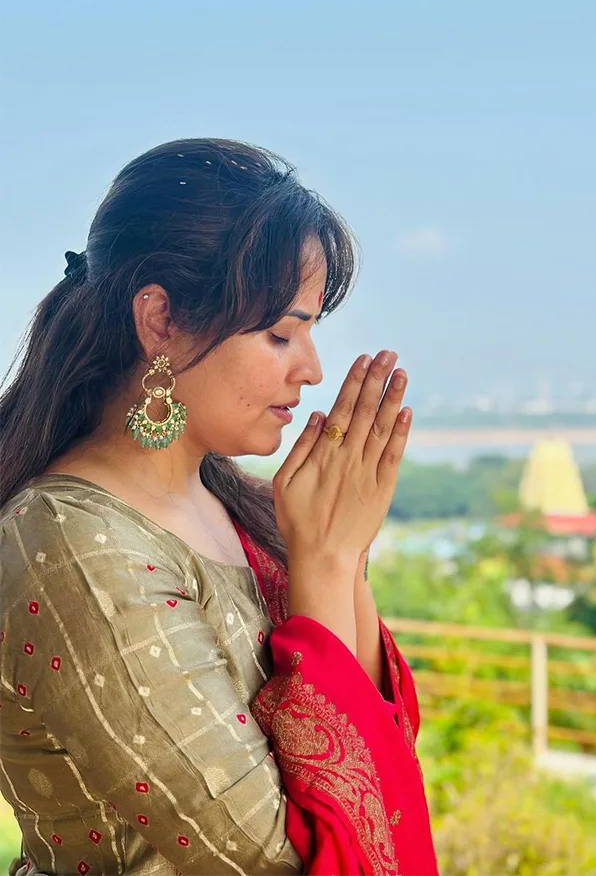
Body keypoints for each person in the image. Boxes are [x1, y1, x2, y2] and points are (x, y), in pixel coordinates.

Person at [0, 139, 438, 875]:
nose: (312, 368)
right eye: (280, 333)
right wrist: (326, 565)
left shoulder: (236, 504)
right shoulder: (71, 546)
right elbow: (278, 860)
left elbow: (381, 758)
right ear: (161, 320)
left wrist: (341, 555)